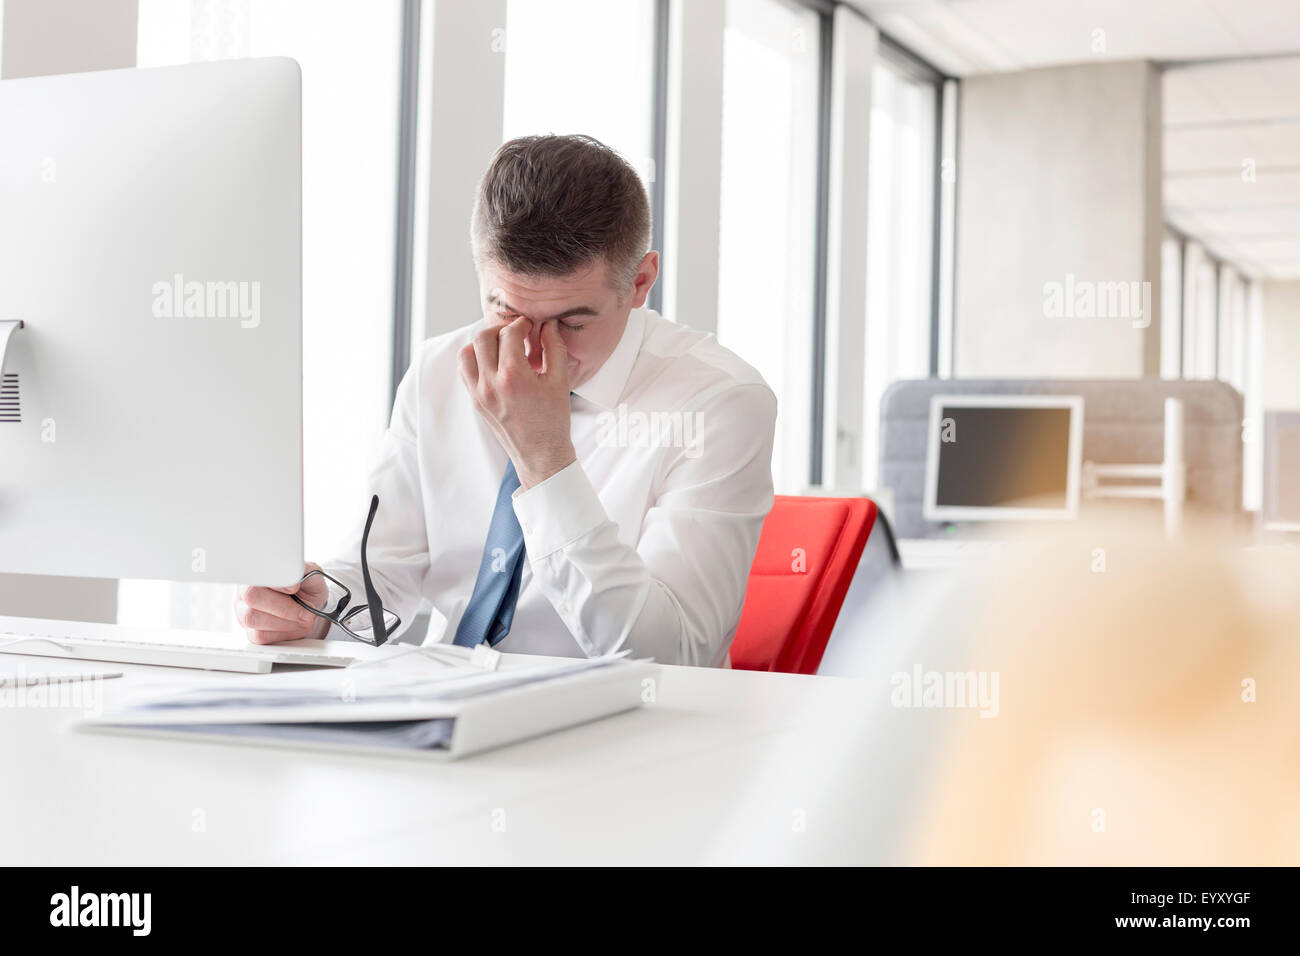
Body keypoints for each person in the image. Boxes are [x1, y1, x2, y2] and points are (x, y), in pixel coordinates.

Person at [235, 134, 777, 666]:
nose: (534, 352)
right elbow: (382, 579)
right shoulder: (439, 370)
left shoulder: (721, 403)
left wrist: (544, 457)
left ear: (640, 282)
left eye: (571, 322)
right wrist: (320, 611)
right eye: (507, 314)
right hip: (444, 710)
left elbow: (669, 656)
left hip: (617, 733)